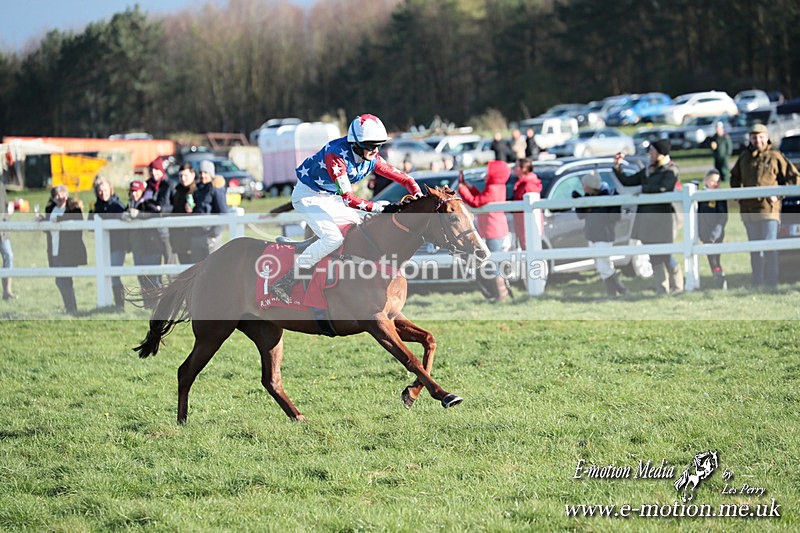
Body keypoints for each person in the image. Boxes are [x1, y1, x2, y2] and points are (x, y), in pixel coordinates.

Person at [270, 114, 422, 303]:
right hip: (308, 196)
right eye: (370, 145)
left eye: (378, 145)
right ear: (355, 143)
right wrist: (379, 208)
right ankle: (285, 281)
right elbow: (349, 199)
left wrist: (419, 196)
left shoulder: (371, 157)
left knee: (362, 228)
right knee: (333, 238)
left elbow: (406, 179)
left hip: (330, 197)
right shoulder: (336, 155)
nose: (375, 150)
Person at [730, 123, 800, 290]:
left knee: (770, 247)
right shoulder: (744, 157)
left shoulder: (775, 156)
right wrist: (739, 196)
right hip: (748, 211)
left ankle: (771, 283)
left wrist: (779, 195)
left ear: (766, 137)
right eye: (754, 137)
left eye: (760, 136)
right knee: (755, 249)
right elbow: (733, 178)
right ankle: (757, 282)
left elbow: (794, 178)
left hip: (769, 211)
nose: (757, 140)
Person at [614, 139, 684, 295]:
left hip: (663, 219)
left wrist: (643, 190)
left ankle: (678, 287)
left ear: (661, 153)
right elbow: (628, 181)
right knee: (654, 256)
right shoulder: (648, 170)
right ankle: (662, 289)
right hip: (647, 219)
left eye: (653, 151)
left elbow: (663, 188)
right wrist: (617, 166)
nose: (650, 154)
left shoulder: (671, 170)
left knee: (666, 255)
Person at [458, 160, 512, 301]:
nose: (487, 175)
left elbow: (476, 202)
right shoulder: (496, 187)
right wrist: (470, 188)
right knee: (494, 262)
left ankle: (501, 296)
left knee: (493, 264)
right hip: (494, 229)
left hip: (493, 230)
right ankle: (501, 294)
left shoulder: (493, 188)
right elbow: (481, 198)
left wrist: (463, 190)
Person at [573, 172, 627, 297]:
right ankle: (614, 292)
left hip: (604, 236)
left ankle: (620, 290)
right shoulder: (588, 197)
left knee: (604, 266)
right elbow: (581, 215)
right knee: (602, 265)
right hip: (591, 235)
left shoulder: (607, 197)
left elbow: (614, 217)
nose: (583, 187)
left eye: (584, 184)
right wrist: (579, 202)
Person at [43, 185, 87, 314]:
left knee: (64, 280)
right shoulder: (50, 209)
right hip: (53, 250)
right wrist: (42, 221)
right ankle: (70, 307)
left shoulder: (74, 208)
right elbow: (48, 229)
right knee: (60, 281)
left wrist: (60, 220)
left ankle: (71, 307)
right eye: (56, 195)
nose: (60, 197)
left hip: (68, 251)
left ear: (67, 195)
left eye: (62, 194)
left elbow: (79, 222)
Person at [90, 177, 128, 310]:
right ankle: (108, 303)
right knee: (105, 275)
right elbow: (90, 227)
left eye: (104, 189)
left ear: (110, 189)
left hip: (117, 245)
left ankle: (120, 305)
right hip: (103, 247)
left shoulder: (117, 205)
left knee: (114, 275)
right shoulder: (97, 206)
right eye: (99, 190)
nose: (102, 193)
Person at [126, 180, 163, 308]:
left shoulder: (149, 202)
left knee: (153, 279)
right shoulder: (131, 204)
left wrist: (139, 215)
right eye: (132, 191)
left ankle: (157, 306)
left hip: (151, 247)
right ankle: (148, 305)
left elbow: (155, 213)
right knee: (142, 279)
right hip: (138, 248)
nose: (134, 193)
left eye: (137, 191)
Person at [190, 160, 229, 262]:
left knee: (212, 267)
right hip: (197, 234)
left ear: (211, 174)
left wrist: (214, 233)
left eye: (206, 173)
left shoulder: (216, 188)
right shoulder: (197, 189)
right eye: (201, 172)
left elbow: (223, 212)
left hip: (210, 235)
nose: (203, 175)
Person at [697, 169, 728, 290]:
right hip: (705, 233)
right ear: (706, 181)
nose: (715, 184)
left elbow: (723, 217)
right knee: (711, 259)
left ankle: (720, 279)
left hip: (716, 234)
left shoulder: (719, 196)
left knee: (715, 259)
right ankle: (718, 279)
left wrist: (715, 233)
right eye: (712, 181)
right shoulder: (701, 196)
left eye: (718, 181)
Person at [143, 157, 175, 265]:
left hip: (167, 230)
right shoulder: (147, 186)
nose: (153, 173)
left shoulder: (169, 185)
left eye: (156, 170)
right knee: (153, 261)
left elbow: (174, 206)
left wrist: (161, 210)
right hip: (150, 230)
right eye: (151, 170)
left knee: (169, 260)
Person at [170, 163, 199, 264]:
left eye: (186, 175)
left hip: (193, 236)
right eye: (180, 176)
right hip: (179, 237)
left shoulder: (197, 191)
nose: (183, 178)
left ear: (193, 175)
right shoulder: (177, 191)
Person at [511, 158, 542, 250]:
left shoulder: (529, 185)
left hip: (527, 225)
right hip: (522, 224)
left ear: (523, 168)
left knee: (531, 251)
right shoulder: (521, 184)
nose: (513, 168)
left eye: (516, 166)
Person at [0, 177, 15, 300]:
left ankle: (7, 291)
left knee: (9, 256)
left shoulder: (1, 186)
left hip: (2, 231)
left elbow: (6, 205)